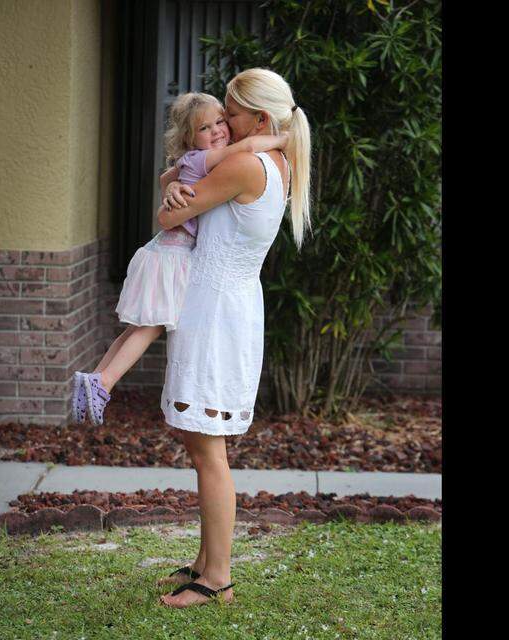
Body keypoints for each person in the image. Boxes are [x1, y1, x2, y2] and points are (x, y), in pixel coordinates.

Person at [152, 68, 312, 608]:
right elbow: (179, 181)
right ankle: (204, 561)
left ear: (259, 118)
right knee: (203, 443)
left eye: (231, 114)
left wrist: (175, 185)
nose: (222, 123)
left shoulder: (245, 164)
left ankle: (217, 576)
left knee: (206, 448)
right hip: (226, 308)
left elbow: (169, 211)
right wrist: (269, 137)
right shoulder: (275, 159)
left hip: (216, 313)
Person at [68, 92, 288, 425]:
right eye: (205, 128)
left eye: (220, 121)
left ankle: (95, 379)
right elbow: (242, 149)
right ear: (189, 138)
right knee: (149, 328)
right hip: (174, 253)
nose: (216, 131)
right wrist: (284, 138)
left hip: (166, 251)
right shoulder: (209, 158)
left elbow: (165, 178)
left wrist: (171, 186)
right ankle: (104, 382)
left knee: (138, 328)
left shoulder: (196, 160)